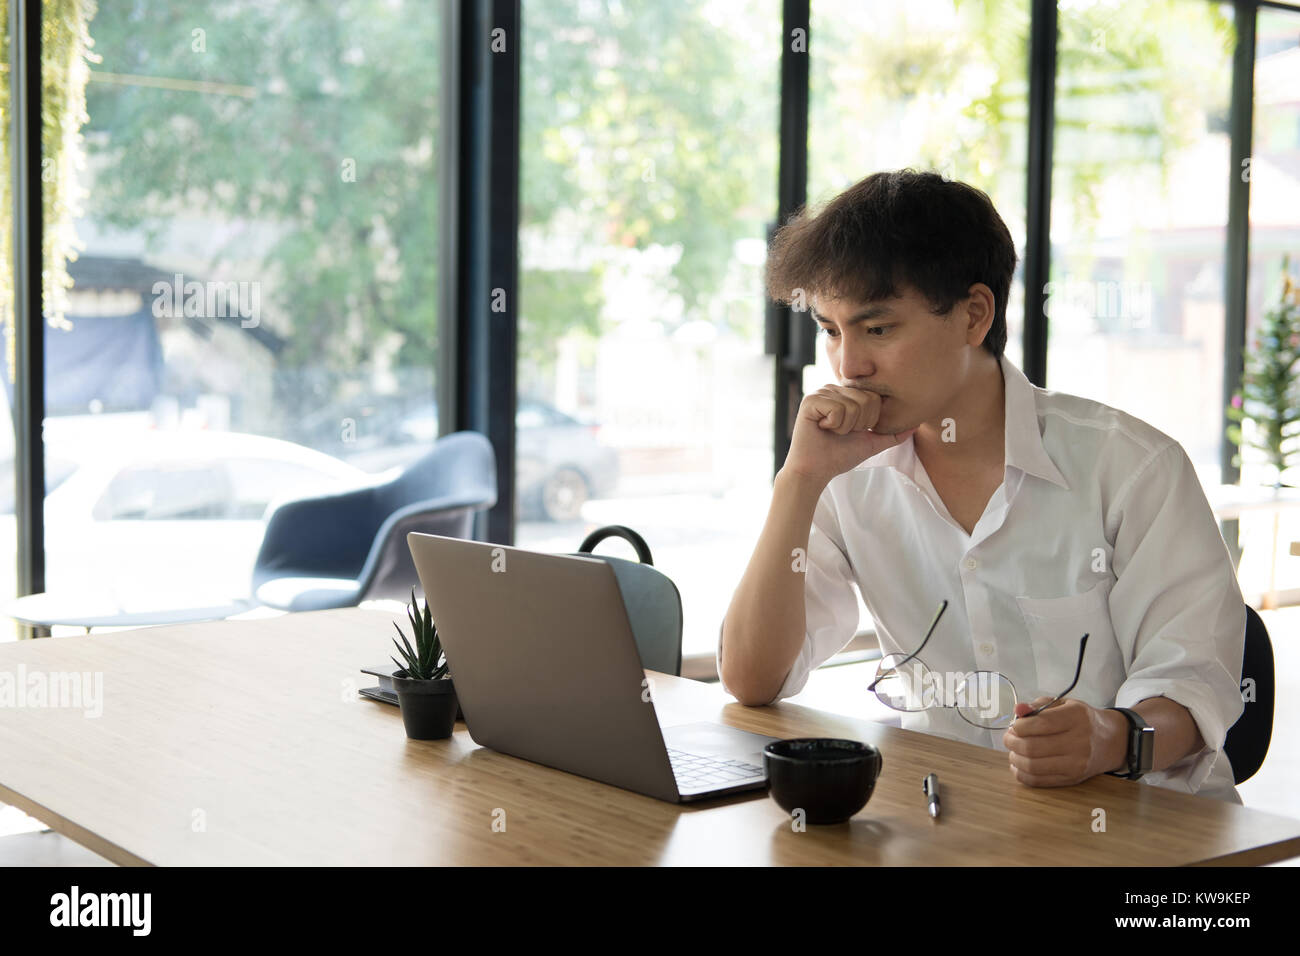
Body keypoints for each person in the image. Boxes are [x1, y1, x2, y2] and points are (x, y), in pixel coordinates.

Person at [718, 169, 1246, 803]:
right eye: (831, 330)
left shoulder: (1131, 467)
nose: (848, 365)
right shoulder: (842, 474)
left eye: (877, 329)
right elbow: (753, 680)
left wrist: (1110, 736)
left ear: (974, 315)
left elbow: (1196, 687)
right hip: (955, 821)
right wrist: (799, 480)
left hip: (1152, 835)